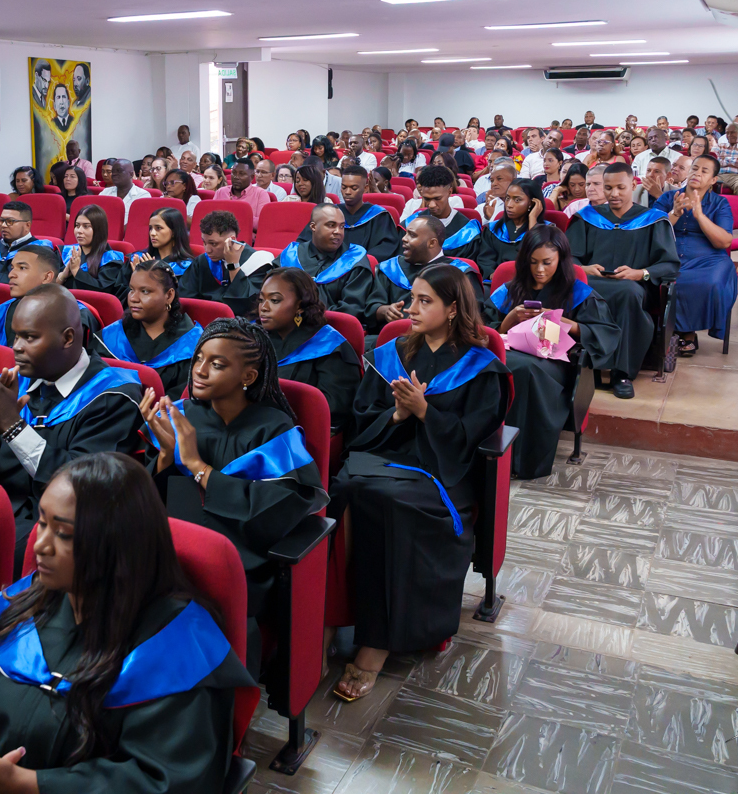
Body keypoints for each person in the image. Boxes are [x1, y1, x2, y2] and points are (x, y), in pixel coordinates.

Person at [0, 454, 251, 794]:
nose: (40, 545)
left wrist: (24, 786)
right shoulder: (23, 606)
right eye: (41, 522)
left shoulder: (175, 651)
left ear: (117, 544)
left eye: (63, 534)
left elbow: (166, 781)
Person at [328, 266, 508, 700]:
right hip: (382, 456)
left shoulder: (480, 369)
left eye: (425, 301)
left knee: (388, 503)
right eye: (412, 298)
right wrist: (397, 414)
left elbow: (471, 440)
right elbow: (360, 419)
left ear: (451, 310)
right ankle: (332, 617)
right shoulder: (390, 353)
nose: (411, 308)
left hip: (440, 474)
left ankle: (378, 641)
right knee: (344, 490)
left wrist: (427, 413)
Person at [139, 319, 326, 656]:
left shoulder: (274, 431)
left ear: (248, 377)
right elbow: (151, 497)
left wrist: (198, 467)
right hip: (173, 539)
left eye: (217, 364)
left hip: (240, 555)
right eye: (198, 358)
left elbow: (275, 512)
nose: (200, 370)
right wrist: (166, 456)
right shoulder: (183, 415)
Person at [0, 286, 145, 561]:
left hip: (51, 533)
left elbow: (82, 489)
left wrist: (12, 425)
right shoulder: (11, 384)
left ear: (68, 338)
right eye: (16, 336)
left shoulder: (114, 397)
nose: (16, 347)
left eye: (29, 337)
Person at [482, 226, 620, 479]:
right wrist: (510, 319)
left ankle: (521, 461)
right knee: (495, 363)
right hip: (512, 352)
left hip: (555, 363)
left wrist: (562, 322)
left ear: (561, 260)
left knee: (522, 369)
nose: (540, 269)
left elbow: (606, 333)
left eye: (547, 262)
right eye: (533, 262)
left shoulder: (577, 292)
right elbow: (485, 331)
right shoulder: (510, 290)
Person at [566, 164, 680, 399]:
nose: (614, 194)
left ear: (633, 186)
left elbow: (669, 264)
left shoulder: (653, 220)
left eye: (620, 187)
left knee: (627, 292)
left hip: (635, 286)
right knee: (576, 290)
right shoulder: (588, 217)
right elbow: (568, 256)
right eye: (608, 188)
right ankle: (579, 366)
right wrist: (583, 268)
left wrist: (640, 273)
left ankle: (621, 373)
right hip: (592, 281)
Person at [258, 267, 362, 435]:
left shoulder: (329, 346)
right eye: (261, 299)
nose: (264, 307)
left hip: (301, 432)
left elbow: (334, 408)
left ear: (300, 306)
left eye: (275, 300)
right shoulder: (258, 338)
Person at [654, 154, 738, 356]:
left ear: (713, 180)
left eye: (704, 171)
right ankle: (674, 332)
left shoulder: (719, 204)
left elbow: (724, 242)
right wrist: (674, 214)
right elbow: (651, 232)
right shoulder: (667, 198)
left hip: (709, 258)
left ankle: (684, 332)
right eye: (694, 168)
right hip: (670, 253)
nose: (697, 174)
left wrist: (700, 216)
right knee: (664, 279)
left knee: (710, 282)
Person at [99, 262, 202, 397]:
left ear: (169, 295)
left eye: (145, 291)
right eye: (131, 290)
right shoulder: (114, 336)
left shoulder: (191, 346)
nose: (133, 298)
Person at [370, 214, 482, 334]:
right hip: (392, 340)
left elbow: (471, 315)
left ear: (432, 243)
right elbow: (371, 306)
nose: (404, 238)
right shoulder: (391, 268)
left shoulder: (460, 273)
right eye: (406, 233)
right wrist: (385, 311)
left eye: (412, 235)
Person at [277, 204, 379, 323]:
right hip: (285, 325)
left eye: (342, 226)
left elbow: (351, 309)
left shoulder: (354, 261)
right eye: (331, 225)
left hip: (331, 332)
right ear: (313, 226)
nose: (338, 232)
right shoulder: (291, 254)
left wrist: (308, 317)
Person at [0, 246, 103, 348]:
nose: (11, 275)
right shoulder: (1, 313)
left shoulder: (76, 315)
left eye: (22, 268)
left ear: (47, 277)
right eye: (12, 268)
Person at [181, 210, 275, 316]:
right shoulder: (202, 261)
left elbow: (249, 304)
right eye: (204, 242)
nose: (207, 249)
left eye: (213, 243)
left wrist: (233, 265)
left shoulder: (258, 262)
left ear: (232, 240)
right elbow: (186, 297)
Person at [313, 165, 403, 262]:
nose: (347, 192)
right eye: (344, 187)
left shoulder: (379, 216)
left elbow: (386, 247)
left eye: (353, 188)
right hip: (329, 267)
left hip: (364, 270)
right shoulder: (330, 213)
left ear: (365, 188)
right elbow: (310, 240)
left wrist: (360, 262)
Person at [401, 165, 483, 261]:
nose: (431, 205)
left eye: (437, 198)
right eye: (427, 199)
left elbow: (466, 268)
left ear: (449, 192)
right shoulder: (410, 224)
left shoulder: (467, 231)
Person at [474, 177, 547, 278]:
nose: (509, 205)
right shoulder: (493, 229)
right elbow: (485, 259)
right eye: (507, 198)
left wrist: (532, 220)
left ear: (532, 203)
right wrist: (493, 275)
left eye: (517, 200)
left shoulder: (548, 231)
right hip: (496, 282)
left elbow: (541, 256)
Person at [61, 204, 129, 303]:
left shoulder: (111, 259)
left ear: (99, 229)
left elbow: (103, 292)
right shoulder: (65, 252)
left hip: (89, 311)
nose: (79, 231)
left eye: (86, 226)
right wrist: (62, 276)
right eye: (77, 225)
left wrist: (76, 271)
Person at [0, 201, 54, 285]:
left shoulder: (40, 251)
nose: (3, 225)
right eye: (1, 221)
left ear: (27, 225)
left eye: (10, 221)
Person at [130, 207, 195, 277]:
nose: (152, 233)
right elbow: (121, 286)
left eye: (158, 228)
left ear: (174, 232)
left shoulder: (185, 267)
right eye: (150, 228)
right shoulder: (138, 259)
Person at [214, 160, 275, 227]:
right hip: (220, 235)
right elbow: (211, 219)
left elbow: (262, 223)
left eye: (241, 174)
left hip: (247, 236)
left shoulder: (261, 194)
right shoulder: (221, 192)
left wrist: (233, 216)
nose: (236, 177)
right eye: (234, 173)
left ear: (251, 177)